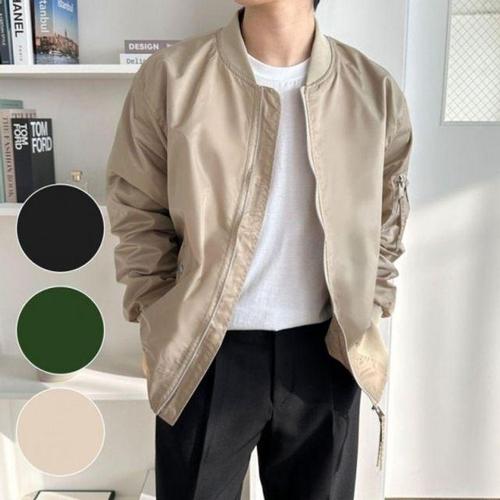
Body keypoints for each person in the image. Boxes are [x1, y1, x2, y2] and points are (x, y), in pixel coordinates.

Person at [106, 0, 413, 498]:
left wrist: (369, 306)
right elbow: (137, 207)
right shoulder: (172, 78)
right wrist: (157, 313)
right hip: (204, 351)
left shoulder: (372, 90)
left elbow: (388, 216)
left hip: (328, 351)